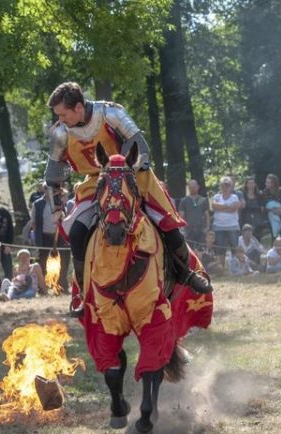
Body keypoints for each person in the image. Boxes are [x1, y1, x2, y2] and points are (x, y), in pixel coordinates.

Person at [43, 81, 211, 315]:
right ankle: (83, 294)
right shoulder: (60, 133)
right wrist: (56, 207)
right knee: (78, 232)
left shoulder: (111, 113)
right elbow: (53, 173)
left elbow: (140, 147)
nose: (60, 119)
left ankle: (186, 273)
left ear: (78, 107)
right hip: (96, 183)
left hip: (133, 175)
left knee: (167, 224)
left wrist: (121, 172)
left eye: (63, 114)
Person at [33, 185, 69, 292]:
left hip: (59, 236)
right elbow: (34, 222)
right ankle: (42, 287)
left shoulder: (59, 203)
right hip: (44, 236)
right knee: (42, 262)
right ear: (44, 190)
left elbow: (65, 218)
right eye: (48, 189)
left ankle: (61, 286)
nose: (51, 192)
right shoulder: (38, 204)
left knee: (64, 261)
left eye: (53, 190)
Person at [211, 176, 242, 268]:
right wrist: (228, 207)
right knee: (220, 247)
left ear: (230, 186)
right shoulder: (216, 196)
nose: (225, 187)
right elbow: (214, 206)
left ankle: (236, 267)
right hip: (218, 226)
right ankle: (221, 267)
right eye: (223, 185)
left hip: (232, 226)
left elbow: (234, 208)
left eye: (227, 185)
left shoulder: (234, 197)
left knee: (234, 247)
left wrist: (221, 208)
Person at [178, 179, 210, 245]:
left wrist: (207, 227)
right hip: (188, 230)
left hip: (201, 230)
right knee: (190, 250)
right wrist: (182, 228)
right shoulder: (184, 200)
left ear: (198, 187)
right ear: (188, 188)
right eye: (191, 187)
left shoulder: (203, 200)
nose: (193, 189)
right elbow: (181, 215)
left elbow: (207, 215)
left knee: (201, 250)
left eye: (194, 187)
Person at [261, 174, 281, 242]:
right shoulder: (264, 193)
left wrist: (280, 209)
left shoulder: (280, 191)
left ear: (273, 183)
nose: (266, 184)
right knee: (274, 236)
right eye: (266, 182)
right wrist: (271, 210)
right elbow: (263, 207)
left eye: (268, 182)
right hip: (270, 216)